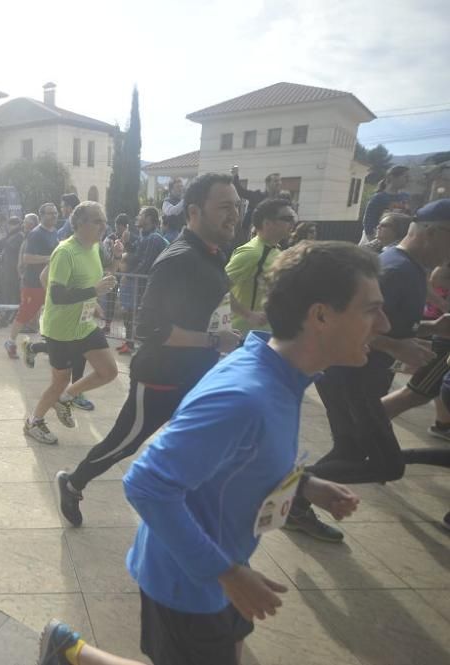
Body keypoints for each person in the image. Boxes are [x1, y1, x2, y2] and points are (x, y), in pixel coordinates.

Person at [123, 240, 374, 665]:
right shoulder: (245, 397)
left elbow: (240, 458)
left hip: (219, 572)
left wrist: (305, 486)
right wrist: (227, 573)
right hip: (189, 584)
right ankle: (72, 651)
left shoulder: (278, 373)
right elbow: (146, 485)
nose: (382, 322)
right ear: (321, 316)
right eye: (370, 308)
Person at [56, 173, 242, 527]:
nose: (233, 214)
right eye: (223, 207)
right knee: (124, 442)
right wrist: (214, 341)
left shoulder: (213, 253)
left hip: (197, 375)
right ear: (194, 211)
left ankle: (181, 507)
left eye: (236, 206)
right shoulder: (180, 259)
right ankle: (73, 482)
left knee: (203, 444)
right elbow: (150, 328)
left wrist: (229, 329)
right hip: (161, 377)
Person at [286, 199, 450, 541]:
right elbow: (345, 323)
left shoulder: (406, 266)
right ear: (433, 233)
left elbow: (389, 324)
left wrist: (430, 328)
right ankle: (286, 490)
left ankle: (293, 500)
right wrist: (396, 346)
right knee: (386, 464)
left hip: (356, 377)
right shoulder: (396, 269)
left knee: (348, 451)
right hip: (350, 378)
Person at [24, 202, 119, 444]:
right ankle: (34, 421)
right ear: (79, 224)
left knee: (108, 371)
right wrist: (93, 291)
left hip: (84, 324)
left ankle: (66, 398)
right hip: (62, 331)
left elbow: (45, 275)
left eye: (104, 221)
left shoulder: (94, 249)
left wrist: (93, 301)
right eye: (97, 221)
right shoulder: (65, 251)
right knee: (60, 380)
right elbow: (57, 294)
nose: (103, 226)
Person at [225, 198, 296, 336]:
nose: (292, 222)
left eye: (293, 217)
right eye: (287, 218)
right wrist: (248, 314)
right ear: (267, 223)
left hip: (268, 334)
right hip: (245, 336)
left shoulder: (275, 250)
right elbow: (219, 287)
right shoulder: (251, 253)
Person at [5, 203, 59, 358]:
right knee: (25, 314)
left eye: (55, 213)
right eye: (50, 213)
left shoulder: (54, 232)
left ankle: (52, 345)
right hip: (33, 283)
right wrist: (50, 258)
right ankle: (10, 341)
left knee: (52, 313)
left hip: (50, 282)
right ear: (41, 215)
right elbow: (27, 258)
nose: (54, 216)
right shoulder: (36, 234)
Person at [115, 207, 168, 355]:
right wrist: (125, 244)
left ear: (150, 219)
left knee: (142, 319)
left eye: (141, 215)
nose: (138, 217)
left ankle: (144, 350)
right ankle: (130, 343)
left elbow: (146, 264)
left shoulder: (154, 238)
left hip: (148, 288)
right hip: (140, 286)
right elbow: (136, 255)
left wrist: (128, 276)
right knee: (130, 314)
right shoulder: (144, 236)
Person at [231, 167, 282, 248]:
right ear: (267, 183)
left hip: (271, 238)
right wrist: (235, 175)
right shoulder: (257, 196)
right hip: (250, 236)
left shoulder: (281, 202)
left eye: (280, 181)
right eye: (276, 181)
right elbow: (240, 191)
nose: (279, 183)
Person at [361, 165, 411, 243]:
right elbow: (368, 222)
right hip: (378, 239)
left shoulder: (406, 197)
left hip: (398, 240)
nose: (408, 180)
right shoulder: (379, 198)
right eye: (405, 177)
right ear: (391, 177)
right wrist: (374, 242)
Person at [0, 216, 26, 327]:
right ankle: (8, 317)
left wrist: (1, 236)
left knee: (12, 295)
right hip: (8, 269)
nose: (9, 227)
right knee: (8, 294)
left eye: (11, 224)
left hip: (13, 270)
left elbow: (9, 245)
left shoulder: (19, 235)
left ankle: (8, 318)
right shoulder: (13, 235)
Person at [161, 178, 187, 242]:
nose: (180, 189)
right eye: (177, 187)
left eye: (181, 186)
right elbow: (173, 211)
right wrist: (185, 199)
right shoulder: (166, 202)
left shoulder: (184, 201)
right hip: (172, 232)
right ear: (171, 190)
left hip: (184, 231)